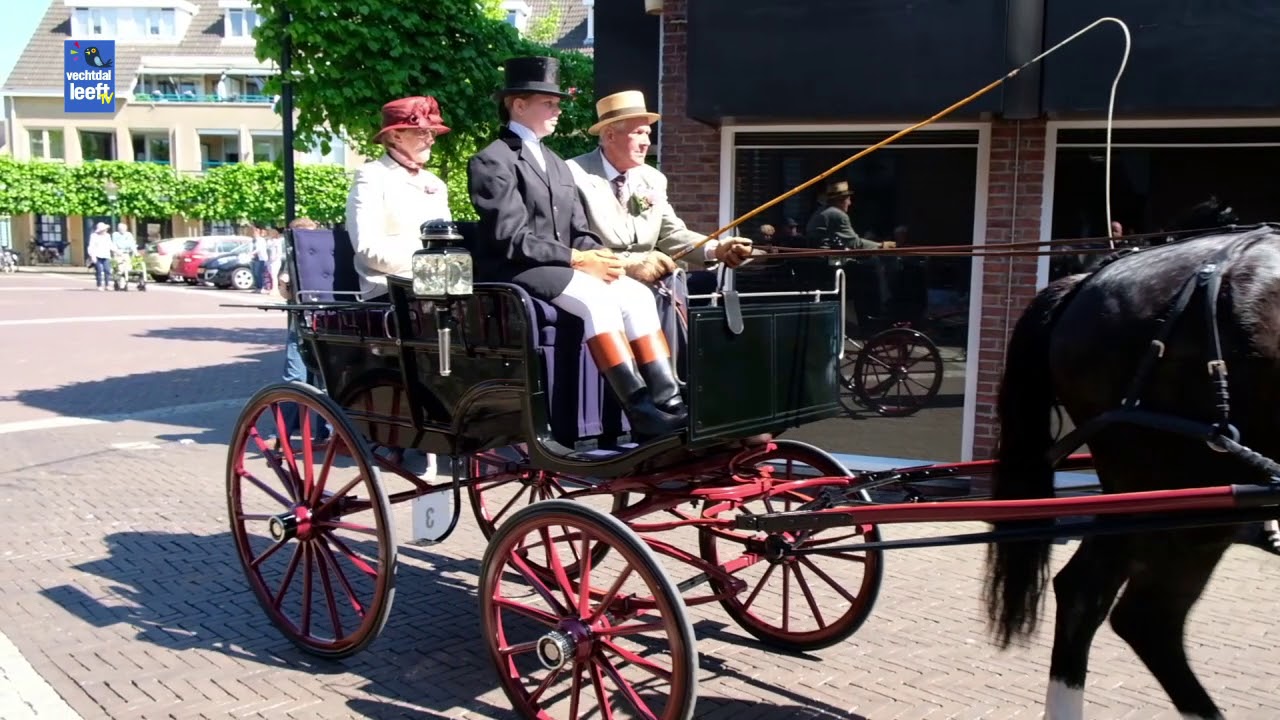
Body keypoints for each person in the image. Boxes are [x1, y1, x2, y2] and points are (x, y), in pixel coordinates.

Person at [468, 56, 686, 440]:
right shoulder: (492, 160)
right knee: (597, 301)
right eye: (548, 103)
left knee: (635, 294)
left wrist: (600, 256)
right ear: (518, 105)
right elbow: (509, 236)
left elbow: (579, 229)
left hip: (562, 264)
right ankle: (638, 410)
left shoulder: (555, 162)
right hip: (516, 268)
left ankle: (669, 402)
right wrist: (576, 257)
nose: (557, 111)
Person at [566, 90, 753, 285]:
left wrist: (716, 249)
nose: (646, 143)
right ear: (611, 135)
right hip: (600, 279)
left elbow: (671, 233)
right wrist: (630, 266)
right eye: (638, 133)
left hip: (651, 279)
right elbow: (575, 241)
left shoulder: (653, 179)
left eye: (648, 133)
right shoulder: (573, 174)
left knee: (693, 285)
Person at [345, 95, 452, 303]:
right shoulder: (371, 176)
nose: (431, 139)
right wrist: (431, 261)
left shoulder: (436, 183)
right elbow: (368, 249)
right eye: (423, 132)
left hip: (439, 287)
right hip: (392, 291)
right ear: (395, 136)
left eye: (432, 132)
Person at [87, 222, 113, 291]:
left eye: (106, 229)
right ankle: (99, 285)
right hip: (97, 255)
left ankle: (107, 285)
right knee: (99, 270)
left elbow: (110, 245)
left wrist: (118, 251)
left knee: (107, 270)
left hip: (106, 255)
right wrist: (92, 256)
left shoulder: (107, 236)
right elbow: (91, 246)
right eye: (104, 229)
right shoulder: (94, 236)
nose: (105, 230)